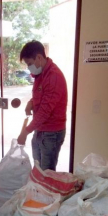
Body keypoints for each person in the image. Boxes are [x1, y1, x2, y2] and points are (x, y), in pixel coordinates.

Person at [17, 40, 67, 171]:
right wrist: (31, 103)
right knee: (38, 170)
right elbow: (41, 96)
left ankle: (44, 192)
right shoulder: (40, 74)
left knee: (46, 174)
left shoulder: (53, 76)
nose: (29, 68)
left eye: (29, 64)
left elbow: (45, 111)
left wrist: (25, 132)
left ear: (39, 57)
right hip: (41, 129)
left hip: (52, 133)